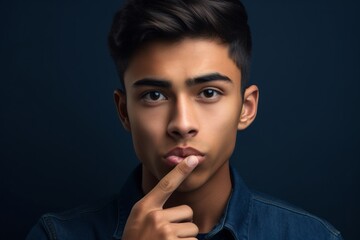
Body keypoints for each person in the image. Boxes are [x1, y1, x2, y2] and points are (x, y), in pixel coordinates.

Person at [26, 0, 343, 239]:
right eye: (154, 95)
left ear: (246, 108)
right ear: (124, 112)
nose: (181, 123)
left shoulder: (312, 235)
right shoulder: (55, 234)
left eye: (208, 93)